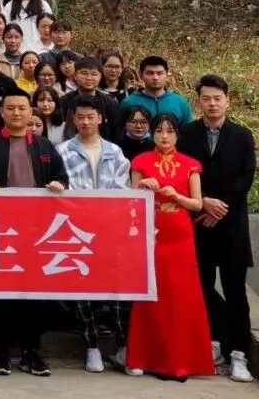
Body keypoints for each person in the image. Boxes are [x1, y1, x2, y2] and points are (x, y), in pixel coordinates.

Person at [0, 88, 67, 377]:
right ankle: (1, 352)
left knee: (34, 295)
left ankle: (32, 352)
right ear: (2, 112)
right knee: (3, 294)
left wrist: (58, 185)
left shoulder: (44, 146)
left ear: (31, 111)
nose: (17, 113)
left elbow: (62, 177)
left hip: (36, 231)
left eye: (22, 108)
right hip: (1, 232)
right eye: (11, 108)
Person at [177, 74, 256, 382]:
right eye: (206, 98)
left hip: (232, 223)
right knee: (202, 288)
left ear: (227, 101)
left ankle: (239, 354)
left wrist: (220, 207)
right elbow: (182, 173)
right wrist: (203, 202)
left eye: (217, 98)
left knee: (236, 292)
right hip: (198, 222)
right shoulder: (186, 134)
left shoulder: (242, 135)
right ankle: (210, 345)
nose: (212, 104)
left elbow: (246, 176)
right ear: (198, 101)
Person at [127, 113, 217, 381]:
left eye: (169, 131)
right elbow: (132, 201)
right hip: (151, 232)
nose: (164, 136)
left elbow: (197, 204)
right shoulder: (140, 162)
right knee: (152, 294)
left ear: (177, 135)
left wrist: (177, 196)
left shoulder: (190, 165)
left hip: (180, 233)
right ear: (152, 133)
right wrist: (142, 186)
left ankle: (181, 362)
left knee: (181, 296)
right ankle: (151, 359)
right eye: (159, 131)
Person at [54, 96, 133, 374]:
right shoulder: (62, 151)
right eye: (80, 117)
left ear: (100, 118)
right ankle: (92, 347)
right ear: (73, 120)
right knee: (83, 288)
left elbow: (124, 189)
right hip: (77, 230)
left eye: (91, 117)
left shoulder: (115, 152)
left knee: (118, 288)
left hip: (111, 229)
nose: (85, 122)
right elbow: (61, 187)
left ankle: (125, 347)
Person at [58, 57, 120, 142]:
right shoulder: (63, 102)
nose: (89, 78)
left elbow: (116, 134)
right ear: (75, 75)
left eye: (94, 74)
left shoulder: (111, 103)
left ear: (100, 76)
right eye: (84, 73)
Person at [120, 56, 193, 124]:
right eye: (150, 73)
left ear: (167, 75)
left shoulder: (180, 103)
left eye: (160, 73)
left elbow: (188, 131)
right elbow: (120, 130)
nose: (155, 77)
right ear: (141, 76)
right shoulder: (129, 102)